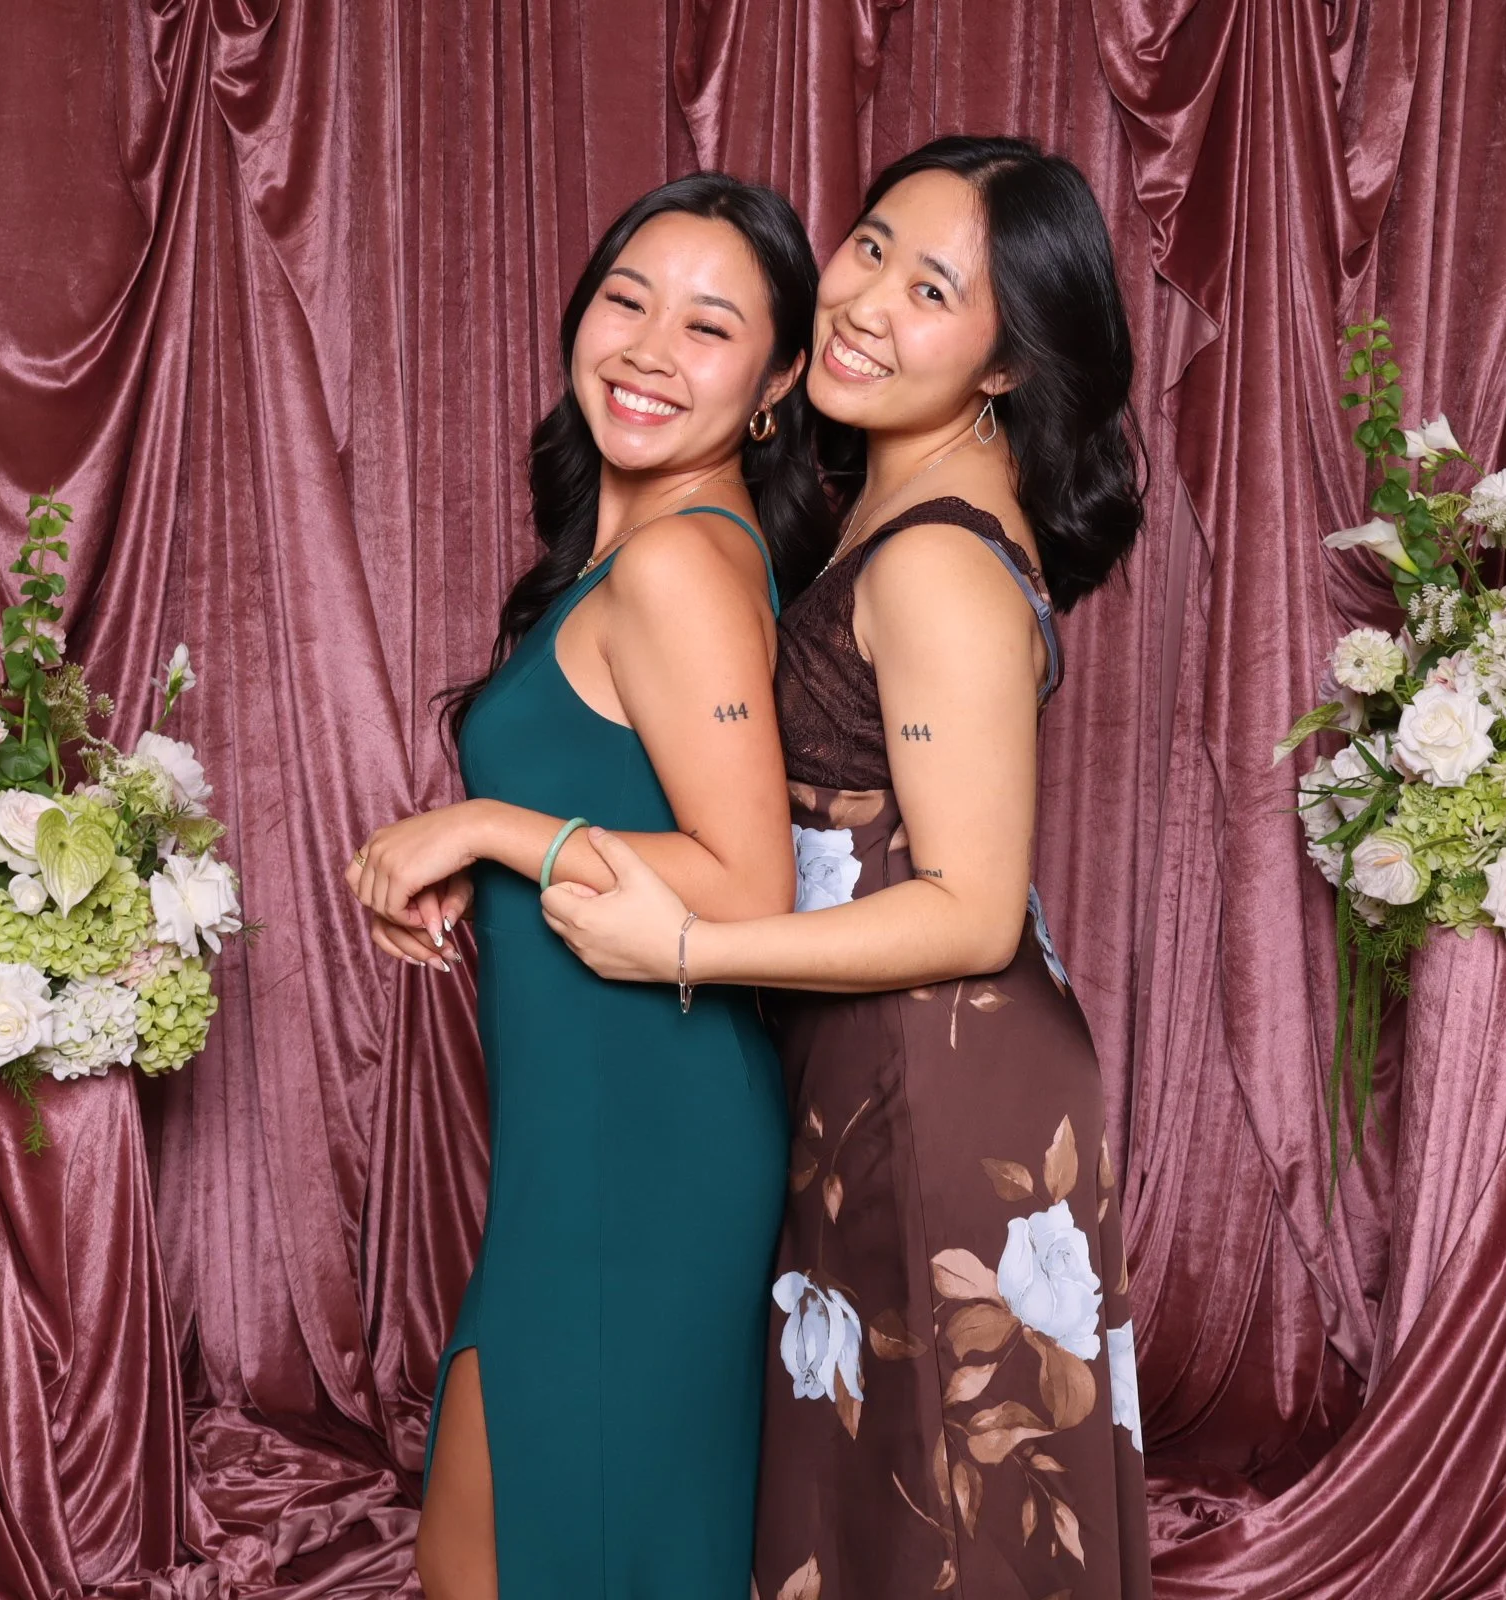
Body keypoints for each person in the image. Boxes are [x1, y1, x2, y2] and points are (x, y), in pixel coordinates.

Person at [540, 136, 1153, 1599]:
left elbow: (967, 907)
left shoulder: (937, 556)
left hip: (940, 1083)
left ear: (1005, 364)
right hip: (869, 1069)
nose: (869, 300)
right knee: (886, 1504)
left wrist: (683, 952)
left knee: (951, 1512)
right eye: (871, 246)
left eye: (934, 288)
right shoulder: (879, 496)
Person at [343, 172, 831, 1599]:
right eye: (627, 300)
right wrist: (491, 846)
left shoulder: (681, 564)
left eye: (708, 326)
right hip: (578, 1148)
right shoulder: (625, 560)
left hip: (650, 1149)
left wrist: (492, 829)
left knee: (573, 1551)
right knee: (509, 1551)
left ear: (777, 383)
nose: (646, 348)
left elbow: (752, 888)